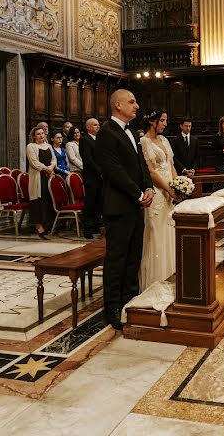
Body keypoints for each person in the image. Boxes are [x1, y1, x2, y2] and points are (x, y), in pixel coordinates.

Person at [96, 90, 154, 330]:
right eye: (132, 102)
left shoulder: (130, 132)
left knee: (134, 255)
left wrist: (148, 186)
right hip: (119, 206)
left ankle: (129, 300)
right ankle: (112, 309)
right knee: (117, 259)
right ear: (117, 105)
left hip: (134, 205)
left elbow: (140, 165)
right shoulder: (106, 133)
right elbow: (114, 170)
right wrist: (139, 193)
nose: (137, 106)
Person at [139, 109, 181, 291]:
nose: (165, 124)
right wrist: (169, 190)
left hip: (170, 191)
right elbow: (151, 171)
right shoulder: (144, 141)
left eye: (165, 120)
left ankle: (172, 273)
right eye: (162, 120)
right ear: (152, 122)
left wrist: (179, 184)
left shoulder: (164, 140)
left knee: (170, 231)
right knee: (156, 233)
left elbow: (170, 165)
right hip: (157, 193)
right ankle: (155, 282)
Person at [26, 126, 56, 237]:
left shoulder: (48, 146)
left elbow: (54, 159)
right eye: (38, 134)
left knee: (48, 200)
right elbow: (34, 162)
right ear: (34, 136)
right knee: (39, 201)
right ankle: (39, 227)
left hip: (49, 176)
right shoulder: (31, 146)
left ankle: (48, 225)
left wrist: (52, 167)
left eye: (42, 133)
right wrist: (46, 168)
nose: (41, 135)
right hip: (38, 178)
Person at [80, 117, 103, 237]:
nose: (98, 126)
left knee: (98, 202)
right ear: (88, 127)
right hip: (91, 176)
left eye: (98, 124)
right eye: (95, 125)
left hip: (99, 177)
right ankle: (87, 229)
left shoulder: (98, 139)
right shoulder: (85, 140)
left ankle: (96, 226)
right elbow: (88, 159)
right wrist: (99, 170)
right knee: (90, 203)